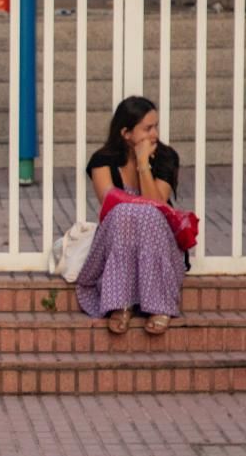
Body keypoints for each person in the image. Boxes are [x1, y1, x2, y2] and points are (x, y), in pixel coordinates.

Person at [75, 96, 185, 336]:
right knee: (124, 212)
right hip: (118, 237)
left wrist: (143, 164)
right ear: (126, 133)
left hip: (158, 242)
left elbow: (158, 206)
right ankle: (120, 303)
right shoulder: (102, 161)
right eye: (147, 129)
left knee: (148, 214)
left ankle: (159, 305)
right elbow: (110, 205)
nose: (154, 134)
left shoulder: (166, 157)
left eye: (156, 126)